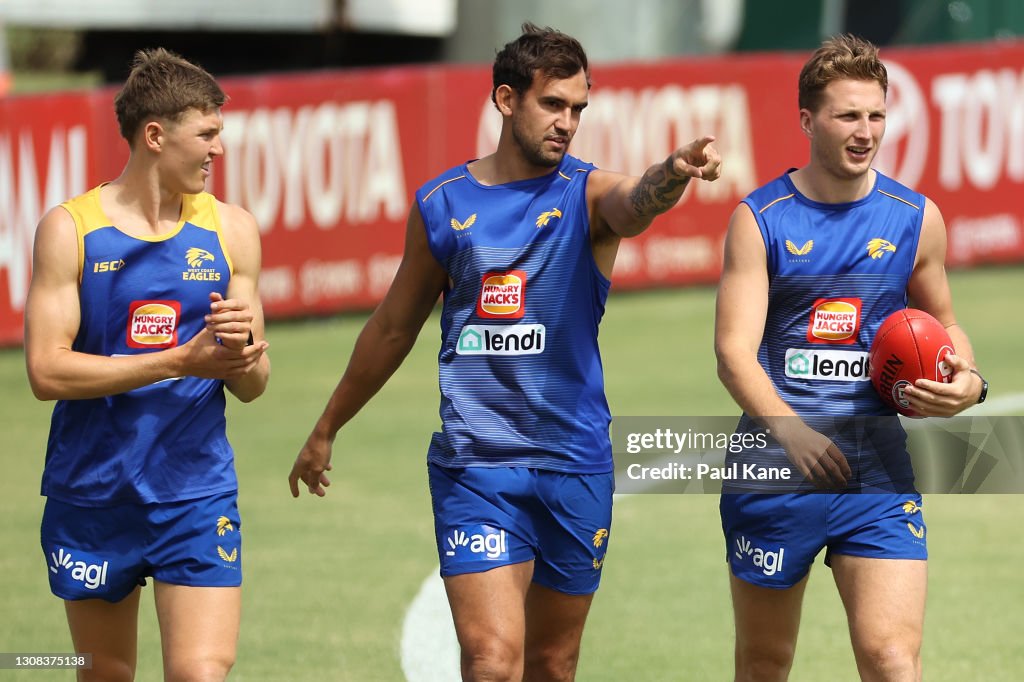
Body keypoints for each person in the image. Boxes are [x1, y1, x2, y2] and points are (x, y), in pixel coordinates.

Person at [289, 22, 720, 681]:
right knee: (490, 660)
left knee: (553, 662)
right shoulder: (442, 205)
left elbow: (637, 204)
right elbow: (391, 329)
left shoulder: (589, 195)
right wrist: (327, 426)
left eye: (578, 109)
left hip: (576, 464)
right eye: (553, 104)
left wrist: (672, 173)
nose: (567, 123)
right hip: (477, 467)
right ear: (505, 99)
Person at [714, 34, 986, 681]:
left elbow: (944, 321)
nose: (865, 132)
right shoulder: (760, 220)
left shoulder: (915, 218)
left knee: (893, 659)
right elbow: (732, 353)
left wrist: (967, 380)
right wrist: (791, 433)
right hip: (776, 470)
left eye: (876, 115)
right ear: (808, 120)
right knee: (765, 663)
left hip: (877, 470)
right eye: (847, 116)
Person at [25, 48, 270, 681]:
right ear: (156, 136)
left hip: (195, 490)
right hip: (94, 491)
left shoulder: (233, 231)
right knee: (106, 673)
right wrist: (179, 361)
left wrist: (240, 357)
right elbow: (47, 373)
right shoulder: (69, 230)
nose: (219, 149)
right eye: (207, 134)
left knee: (199, 673)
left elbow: (253, 386)